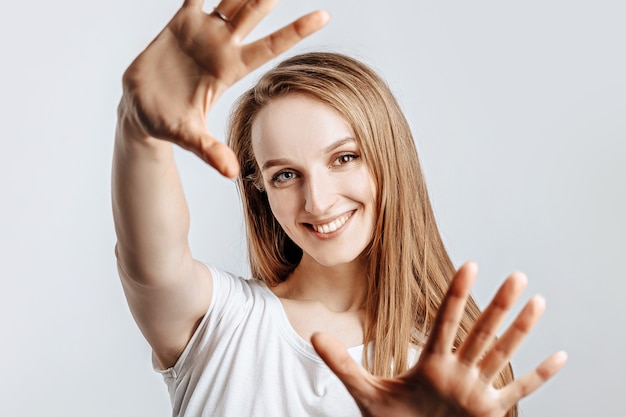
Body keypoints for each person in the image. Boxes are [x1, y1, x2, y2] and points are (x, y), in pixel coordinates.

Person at [112, 1, 567, 416]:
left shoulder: (448, 364)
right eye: (285, 175)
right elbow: (151, 257)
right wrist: (138, 129)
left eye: (344, 158)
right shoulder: (218, 324)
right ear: (261, 193)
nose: (319, 201)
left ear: (389, 160)